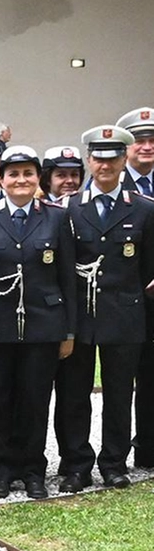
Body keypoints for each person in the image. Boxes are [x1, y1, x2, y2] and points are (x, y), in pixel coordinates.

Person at [0, 145, 75, 500]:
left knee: (34, 399)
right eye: (13, 174)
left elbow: (67, 277)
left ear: (37, 178)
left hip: (43, 324)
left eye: (28, 173)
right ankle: (1, 468)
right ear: (3, 178)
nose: (21, 180)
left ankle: (32, 469)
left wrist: (69, 330)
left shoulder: (57, 217)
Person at [56, 126, 152, 492]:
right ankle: (76, 463)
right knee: (74, 393)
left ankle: (114, 462)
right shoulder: (68, 208)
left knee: (118, 393)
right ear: (89, 162)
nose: (106, 166)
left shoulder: (143, 209)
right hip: (80, 314)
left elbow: (147, 267)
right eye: (99, 159)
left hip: (124, 313)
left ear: (124, 160)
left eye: (113, 158)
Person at [119, 106, 154, 469]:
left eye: (152, 139)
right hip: (127, 296)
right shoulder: (112, 181)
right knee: (125, 377)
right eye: (139, 140)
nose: (147, 146)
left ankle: (150, 448)